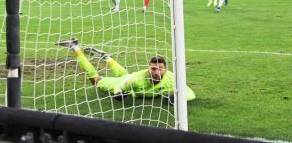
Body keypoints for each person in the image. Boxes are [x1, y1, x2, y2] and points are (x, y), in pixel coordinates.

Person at [55, 38, 195, 103]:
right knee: (95, 80)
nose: (157, 72)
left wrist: (178, 98)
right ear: (149, 68)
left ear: (166, 69)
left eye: (160, 69)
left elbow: (190, 93)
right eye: (153, 68)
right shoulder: (138, 79)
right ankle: (75, 47)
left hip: (131, 79)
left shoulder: (171, 78)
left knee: (127, 76)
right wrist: (119, 94)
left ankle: (107, 57)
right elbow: (122, 86)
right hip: (126, 82)